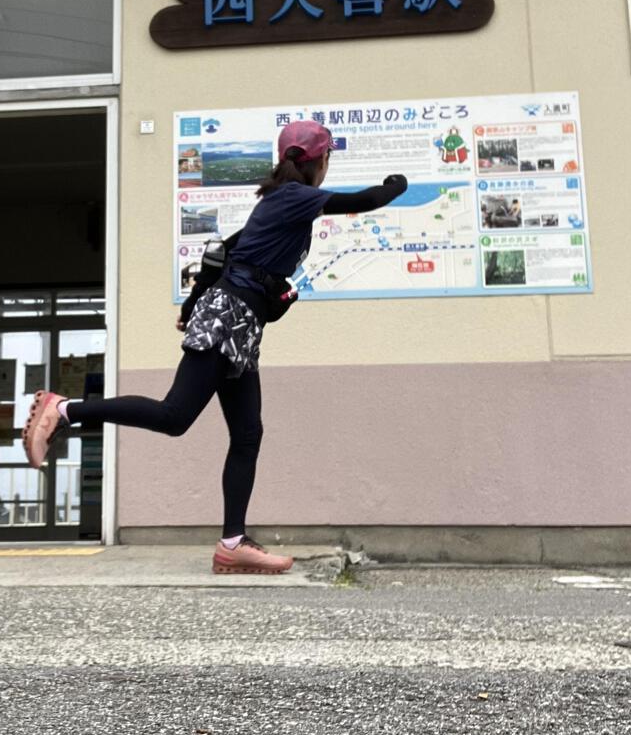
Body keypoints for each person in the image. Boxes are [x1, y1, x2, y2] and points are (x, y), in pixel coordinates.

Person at [23, 120, 408, 575]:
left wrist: (191, 302)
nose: (327, 169)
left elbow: (221, 252)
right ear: (318, 162)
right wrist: (396, 184)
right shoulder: (293, 198)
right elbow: (361, 202)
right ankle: (64, 409)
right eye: (327, 160)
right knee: (174, 416)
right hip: (228, 318)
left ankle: (232, 543)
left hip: (239, 324)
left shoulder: (277, 204)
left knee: (248, 434)